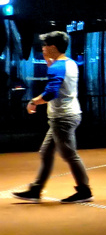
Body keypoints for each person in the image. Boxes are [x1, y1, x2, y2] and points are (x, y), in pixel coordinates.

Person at [12, 30, 93, 203]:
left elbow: (50, 93)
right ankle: (36, 189)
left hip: (62, 118)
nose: (43, 48)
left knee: (69, 154)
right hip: (68, 115)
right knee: (46, 152)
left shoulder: (57, 67)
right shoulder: (69, 63)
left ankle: (84, 190)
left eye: (45, 45)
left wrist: (33, 101)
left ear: (53, 47)